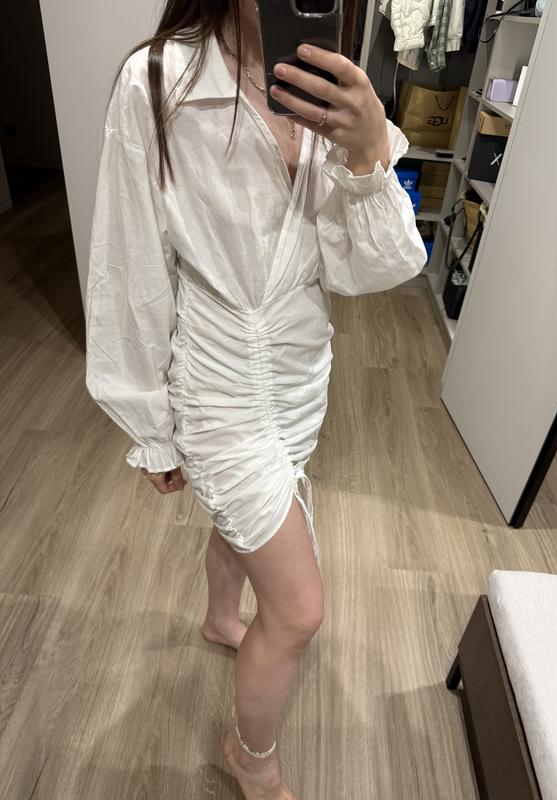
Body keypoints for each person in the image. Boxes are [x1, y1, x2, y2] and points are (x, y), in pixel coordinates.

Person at [84, 1, 426, 797]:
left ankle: (217, 618)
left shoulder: (334, 82)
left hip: (303, 365)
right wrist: (151, 425)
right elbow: (128, 268)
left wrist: (368, 151)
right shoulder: (157, 82)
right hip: (218, 379)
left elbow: (372, 269)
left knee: (247, 528)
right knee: (299, 609)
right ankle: (253, 761)